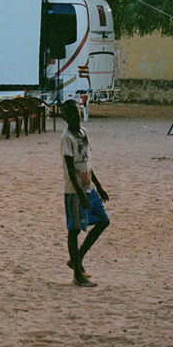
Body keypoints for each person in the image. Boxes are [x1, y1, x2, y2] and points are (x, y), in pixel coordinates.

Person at [61, 99, 111, 287]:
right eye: (71, 114)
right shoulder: (66, 138)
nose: (75, 117)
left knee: (103, 221)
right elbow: (69, 168)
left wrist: (98, 186)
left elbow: (87, 163)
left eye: (77, 113)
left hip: (88, 186)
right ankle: (77, 275)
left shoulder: (83, 133)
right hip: (74, 190)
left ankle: (77, 258)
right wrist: (79, 194)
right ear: (65, 117)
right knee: (74, 229)